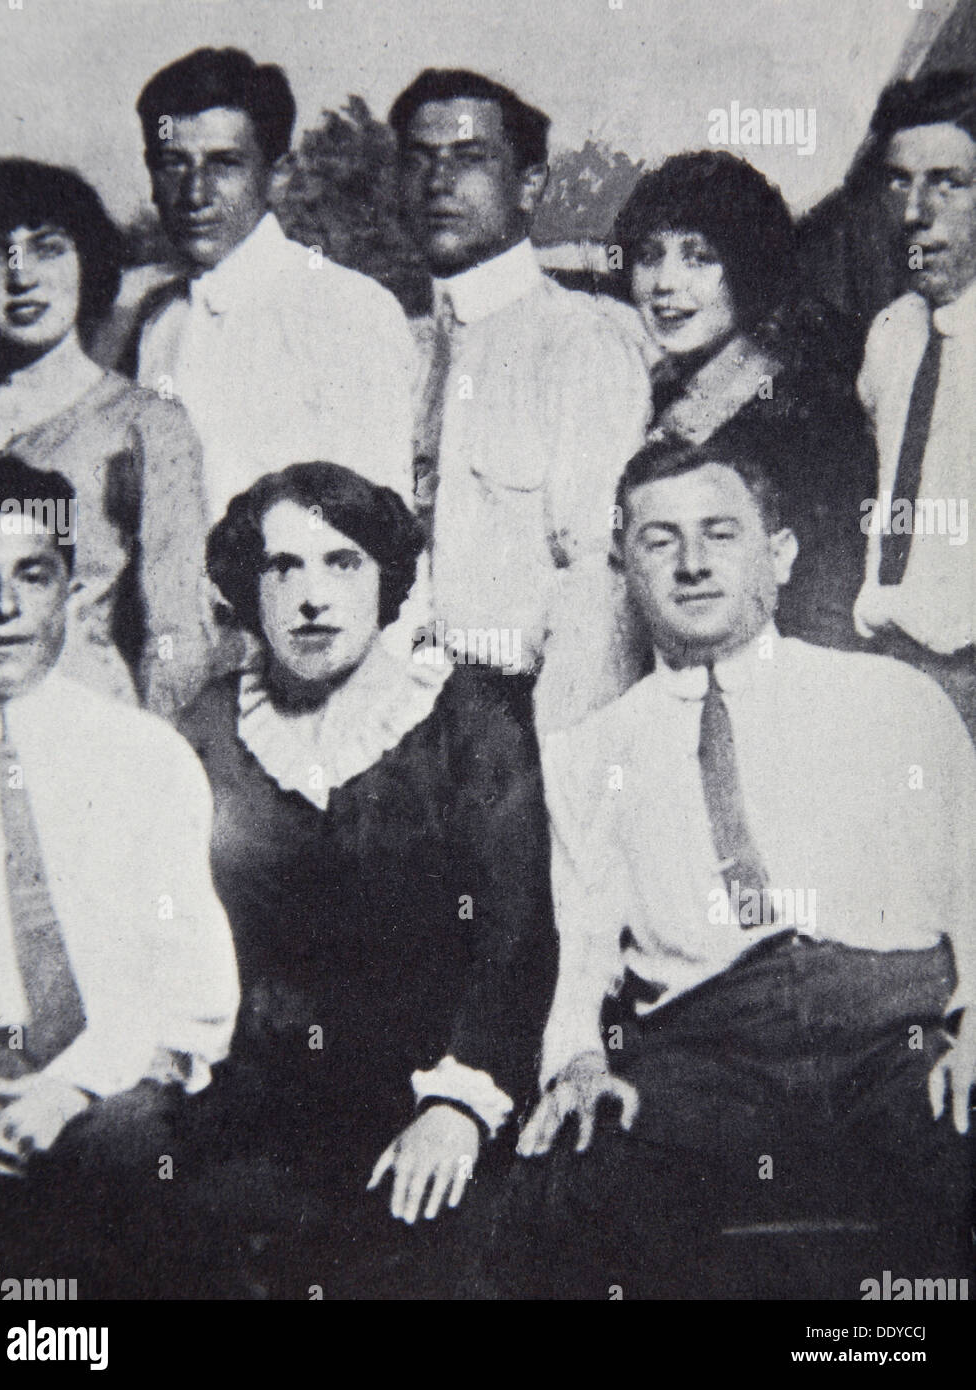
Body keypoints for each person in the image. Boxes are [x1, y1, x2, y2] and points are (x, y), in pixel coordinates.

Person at [498, 435, 974, 1299]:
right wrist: (573, 1060)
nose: (690, 564)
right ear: (626, 569)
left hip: (890, 1026)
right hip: (705, 1044)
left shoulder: (890, 699)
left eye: (720, 533)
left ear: (780, 554)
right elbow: (584, 943)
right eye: (658, 540)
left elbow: (973, 884)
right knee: (572, 1189)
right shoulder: (589, 751)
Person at [176, 461, 555, 1298]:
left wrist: (458, 1105)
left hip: (432, 1101)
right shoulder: (205, 729)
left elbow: (517, 936)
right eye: (284, 567)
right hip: (258, 1114)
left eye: (341, 563)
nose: (312, 597)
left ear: (385, 580)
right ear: (249, 587)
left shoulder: (470, 716)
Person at [0, 456, 239, 1298]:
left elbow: (194, 989)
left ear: (71, 590)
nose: (3, 611)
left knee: (125, 1177)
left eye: (31, 577)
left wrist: (70, 1085)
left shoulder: (141, 756)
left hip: (106, 1073)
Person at [391, 68, 653, 733]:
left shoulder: (578, 344)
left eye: (470, 159)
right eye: (419, 160)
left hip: (513, 715)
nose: (438, 182)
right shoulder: (397, 348)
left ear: (528, 184)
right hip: (387, 711)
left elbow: (598, 579)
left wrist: (561, 761)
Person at [0, 159, 212, 718]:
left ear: (89, 262)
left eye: (48, 248)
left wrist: (151, 752)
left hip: (86, 722)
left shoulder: (146, 425)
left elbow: (175, 632)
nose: (20, 277)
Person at [133, 47, 415, 523]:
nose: (196, 193)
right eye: (174, 163)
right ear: (152, 176)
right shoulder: (159, 324)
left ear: (278, 175)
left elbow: (382, 534)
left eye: (225, 164)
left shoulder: (348, 310)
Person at [612, 150, 876, 655]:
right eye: (650, 255)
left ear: (749, 269)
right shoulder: (657, 393)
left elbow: (828, 612)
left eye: (699, 257)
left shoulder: (810, 416)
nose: (666, 284)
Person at [854, 71, 976, 739]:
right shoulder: (892, 335)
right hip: (892, 669)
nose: (912, 211)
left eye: (946, 182)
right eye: (898, 182)